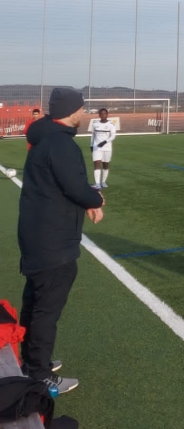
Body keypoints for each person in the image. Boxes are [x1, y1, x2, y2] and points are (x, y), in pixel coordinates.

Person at [18, 86, 105, 395]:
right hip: (52, 242)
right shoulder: (60, 144)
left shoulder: (46, 138)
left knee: (35, 302)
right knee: (46, 309)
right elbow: (75, 187)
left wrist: (86, 200)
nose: (83, 112)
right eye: (80, 108)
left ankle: (31, 362)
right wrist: (95, 200)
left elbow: (63, 186)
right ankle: (39, 374)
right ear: (71, 111)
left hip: (38, 236)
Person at [90, 107, 117, 188]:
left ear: (107, 115)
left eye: (104, 114)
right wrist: (91, 145)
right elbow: (93, 135)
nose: (103, 115)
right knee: (97, 163)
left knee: (105, 164)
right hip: (97, 147)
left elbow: (113, 136)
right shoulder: (95, 124)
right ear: (99, 115)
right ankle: (97, 184)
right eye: (101, 114)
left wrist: (104, 142)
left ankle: (103, 182)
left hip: (107, 148)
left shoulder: (111, 125)